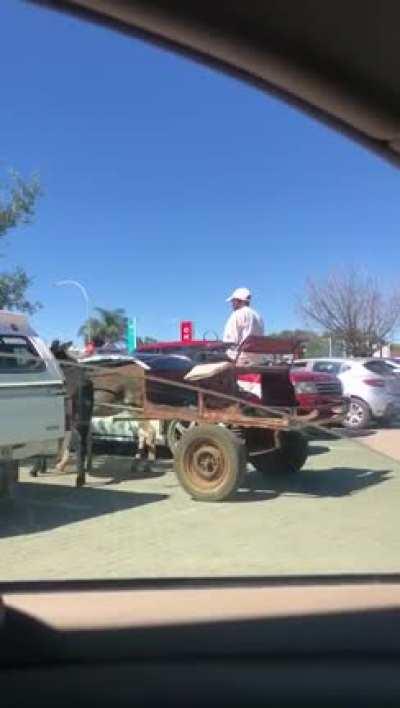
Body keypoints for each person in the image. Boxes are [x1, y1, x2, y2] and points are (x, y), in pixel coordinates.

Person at [223, 287, 264, 365]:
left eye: (233, 301)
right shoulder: (258, 316)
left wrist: (213, 346)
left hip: (239, 359)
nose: (232, 304)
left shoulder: (237, 314)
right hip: (257, 360)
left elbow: (230, 342)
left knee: (204, 358)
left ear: (238, 300)